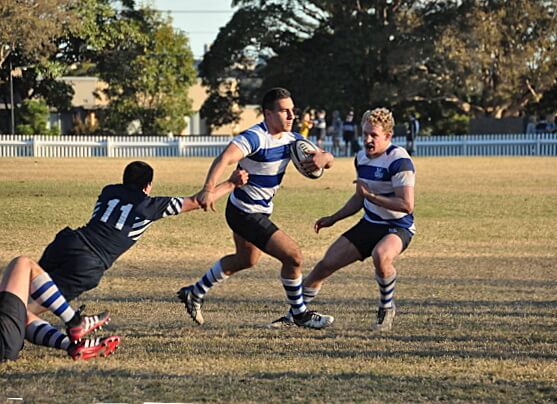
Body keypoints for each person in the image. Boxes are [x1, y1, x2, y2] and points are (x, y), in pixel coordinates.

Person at [27, 160, 246, 355]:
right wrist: (231, 183)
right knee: (32, 306)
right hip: (89, 262)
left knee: (26, 289)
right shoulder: (148, 205)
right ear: (147, 186)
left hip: (68, 241)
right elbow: (198, 201)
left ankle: (49, 325)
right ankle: (71, 325)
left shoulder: (108, 191)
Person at [177, 87, 335, 329]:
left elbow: (327, 157)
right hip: (245, 213)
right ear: (268, 114)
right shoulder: (255, 137)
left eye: (292, 110)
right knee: (293, 256)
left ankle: (194, 292)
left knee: (246, 259)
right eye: (284, 111)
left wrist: (324, 159)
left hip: (252, 209)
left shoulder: (293, 139)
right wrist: (208, 188)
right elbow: (225, 158)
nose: (291, 116)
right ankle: (300, 314)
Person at [270, 108, 415, 331]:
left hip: (397, 226)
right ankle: (295, 316)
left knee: (381, 255)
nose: (367, 139)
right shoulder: (362, 158)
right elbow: (359, 198)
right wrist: (334, 218)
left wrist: (371, 197)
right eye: (365, 133)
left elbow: (406, 205)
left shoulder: (399, 161)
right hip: (370, 224)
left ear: (388, 136)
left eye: (373, 135)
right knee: (325, 265)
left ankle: (387, 307)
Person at [0, 256, 120, 361]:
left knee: (22, 314)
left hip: (7, 344)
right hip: (4, 342)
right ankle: (75, 322)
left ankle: (72, 346)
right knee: (23, 263)